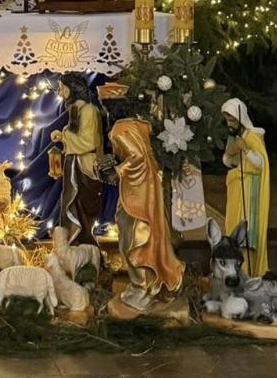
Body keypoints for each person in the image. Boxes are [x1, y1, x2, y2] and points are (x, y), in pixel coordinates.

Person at [108, 118, 185, 312]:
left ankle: (143, 288)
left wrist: (118, 170)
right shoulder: (137, 125)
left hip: (138, 193)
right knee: (146, 235)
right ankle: (144, 285)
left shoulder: (119, 130)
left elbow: (137, 156)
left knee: (134, 239)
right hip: (146, 186)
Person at [50, 81, 104, 247]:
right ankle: (72, 246)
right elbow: (76, 136)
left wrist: (64, 136)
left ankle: (85, 248)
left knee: (81, 209)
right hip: (74, 163)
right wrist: (63, 136)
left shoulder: (88, 110)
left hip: (84, 165)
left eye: (62, 88)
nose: (60, 92)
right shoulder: (75, 109)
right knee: (71, 206)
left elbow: (89, 141)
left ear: (73, 87)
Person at [221, 99, 271, 277]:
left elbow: (260, 163)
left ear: (240, 118)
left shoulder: (252, 137)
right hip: (237, 187)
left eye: (232, 120)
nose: (230, 124)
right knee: (234, 229)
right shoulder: (236, 137)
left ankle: (247, 273)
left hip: (250, 190)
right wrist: (231, 151)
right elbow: (228, 162)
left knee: (246, 233)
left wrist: (246, 150)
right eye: (227, 120)